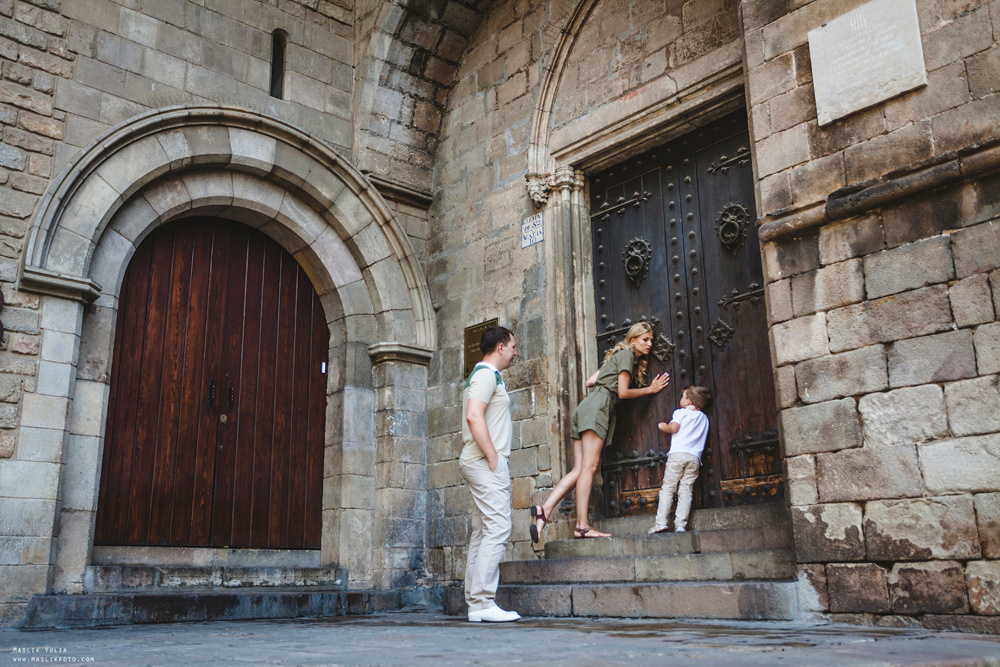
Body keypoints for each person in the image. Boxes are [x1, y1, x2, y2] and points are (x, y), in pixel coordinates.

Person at [530, 322, 669, 541]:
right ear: (633, 340)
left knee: (579, 469)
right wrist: (649, 390)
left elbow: (589, 381)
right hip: (598, 409)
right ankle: (582, 526)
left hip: (586, 406)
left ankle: (543, 511)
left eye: (651, 340)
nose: (650, 344)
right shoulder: (628, 355)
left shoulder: (616, 356)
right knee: (590, 466)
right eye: (645, 339)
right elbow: (622, 393)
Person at [460, 325, 521, 623]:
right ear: (499, 347)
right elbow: (474, 415)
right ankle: (483, 602)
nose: (515, 351)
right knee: (497, 528)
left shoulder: (484, 374)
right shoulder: (485, 374)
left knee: (483, 531)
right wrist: (494, 458)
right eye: (512, 346)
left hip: (478, 462)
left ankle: (476, 604)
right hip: (485, 463)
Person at [648, 385, 713, 535]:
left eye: (683, 396)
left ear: (688, 401)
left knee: (668, 489)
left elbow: (674, 428)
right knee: (686, 490)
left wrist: (663, 426)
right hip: (694, 458)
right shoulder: (704, 418)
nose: (681, 399)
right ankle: (680, 526)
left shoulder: (681, 413)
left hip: (677, 455)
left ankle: (661, 523)